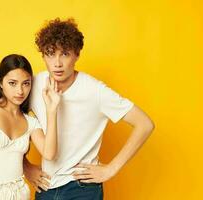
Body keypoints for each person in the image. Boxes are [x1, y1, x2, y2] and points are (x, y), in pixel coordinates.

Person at [23, 18, 155, 200]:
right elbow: (9, 122)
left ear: (77, 55)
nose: (57, 63)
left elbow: (145, 124)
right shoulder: (34, 85)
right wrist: (26, 167)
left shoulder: (95, 91)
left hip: (82, 188)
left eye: (65, 54)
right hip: (46, 187)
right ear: (43, 56)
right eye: (50, 54)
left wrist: (111, 169)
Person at [0, 54, 62, 200]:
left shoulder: (30, 122)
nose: (20, 91)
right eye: (13, 83)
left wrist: (52, 111)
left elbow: (49, 153)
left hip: (18, 195)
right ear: (0, 83)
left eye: (26, 83)